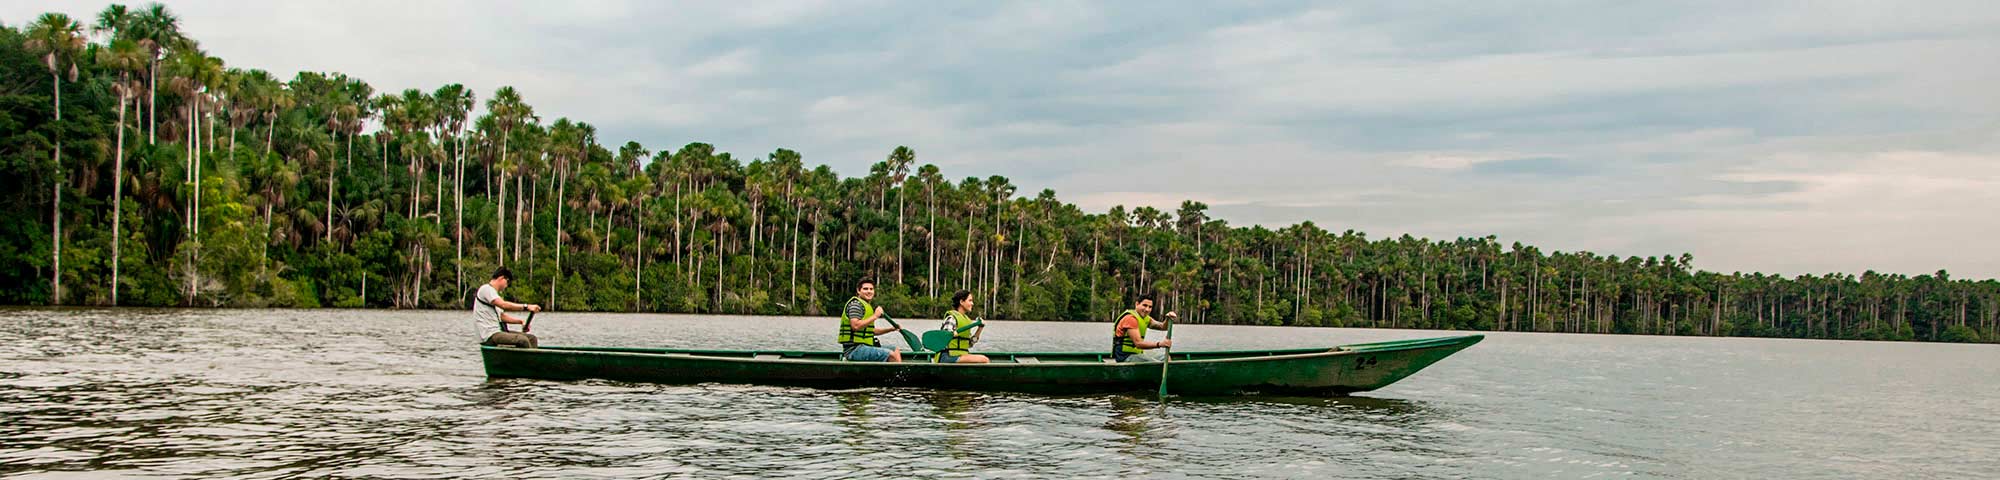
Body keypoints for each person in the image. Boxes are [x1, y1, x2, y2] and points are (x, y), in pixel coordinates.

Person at [472, 267, 542, 348]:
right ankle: (527, 360)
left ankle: (532, 359)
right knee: (522, 340)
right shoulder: (486, 289)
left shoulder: (495, 295)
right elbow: (504, 305)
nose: (507, 285)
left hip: (498, 331)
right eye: (507, 282)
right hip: (489, 334)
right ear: (501, 278)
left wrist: (520, 321)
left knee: (532, 338)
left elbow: (502, 317)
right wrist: (526, 307)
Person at [839, 278, 903, 362]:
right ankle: (897, 374)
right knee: (891, 354)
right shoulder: (856, 305)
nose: (869, 291)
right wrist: (875, 316)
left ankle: (896, 373)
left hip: (865, 347)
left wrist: (891, 329)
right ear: (858, 291)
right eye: (865, 289)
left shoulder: (865, 306)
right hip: (854, 350)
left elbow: (870, 331)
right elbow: (855, 326)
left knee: (895, 350)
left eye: (871, 289)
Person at [1111, 294, 1175, 362]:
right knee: (1155, 363)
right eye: (1144, 305)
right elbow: (1138, 344)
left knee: (1165, 357)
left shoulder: (1146, 318)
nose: (1147, 309)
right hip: (1125, 356)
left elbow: (1163, 327)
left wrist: (1168, 318)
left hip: (1137, 354)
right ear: (1137, 304)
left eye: (1150, 307)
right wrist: (1160, 344)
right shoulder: (1130, 318)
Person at [935, 290, 989, 364]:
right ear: (961, 302)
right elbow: (943, 338)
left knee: (983, 359)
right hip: (947, 356)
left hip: (959, 355)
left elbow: (969, 344)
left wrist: (980, 328)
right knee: (984, 360)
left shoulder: (966, 320)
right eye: (970, 300)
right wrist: (951, 334)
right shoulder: (952, 318)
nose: (972, 303)